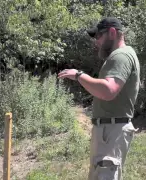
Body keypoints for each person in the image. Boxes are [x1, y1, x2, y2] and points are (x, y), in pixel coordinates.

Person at [57, 17, 140, 180]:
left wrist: (79, 76)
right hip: (110, 131)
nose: (96, 42)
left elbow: (109, 90)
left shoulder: (120, 56)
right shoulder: (125, 54)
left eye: (98, 37)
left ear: (112, 32)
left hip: (111, 132)